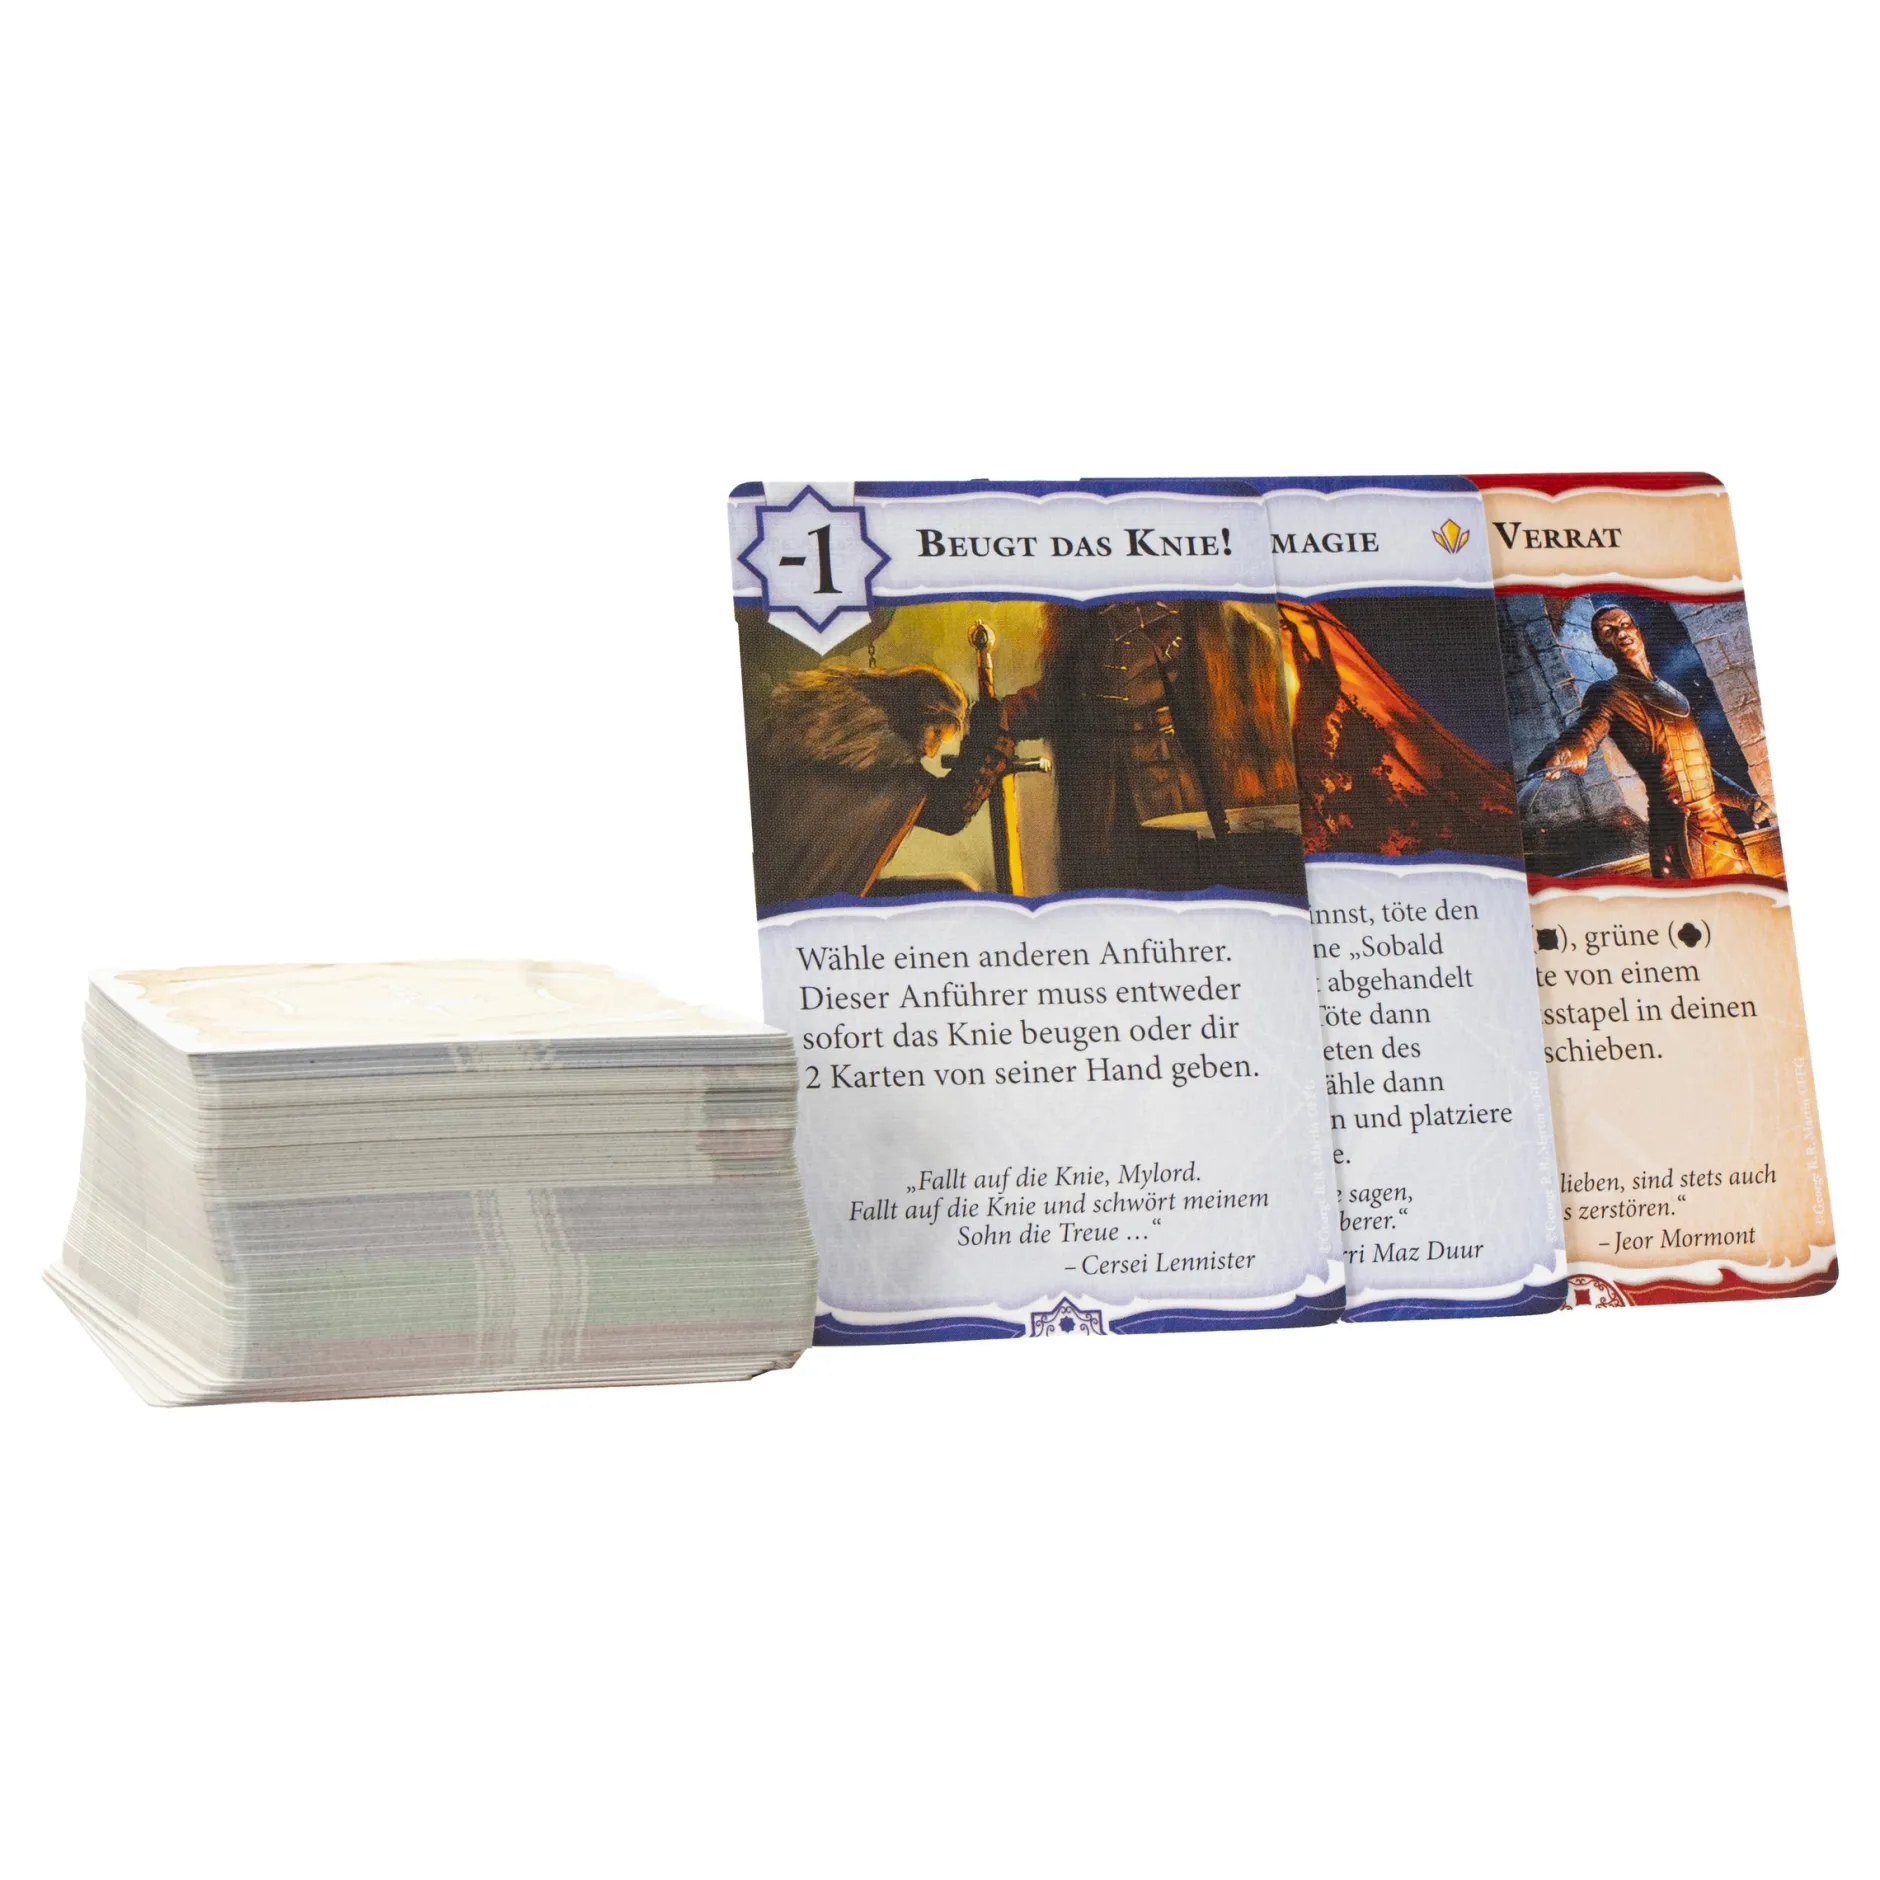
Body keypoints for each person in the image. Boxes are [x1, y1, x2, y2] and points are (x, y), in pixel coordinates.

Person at [747, 662, 1014, 907]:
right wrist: (989, 735)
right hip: (814, 907)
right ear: (916, 716)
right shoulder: (885, 769)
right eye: (936, 733)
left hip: (794, 899)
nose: (931, 752)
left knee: (958, 891)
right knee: (961, 897)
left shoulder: (829, 746)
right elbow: (951, 811)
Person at [1534, 605, 1765, 878]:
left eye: (1625, 624)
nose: (1621, 633)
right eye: (1609, 631)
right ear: (1603, 649)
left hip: (1721, 833)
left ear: (1638, 632)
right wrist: (1567, 750)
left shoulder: (1672, 694)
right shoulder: (1610, 694)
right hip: (1681, 837)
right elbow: (1586, 731)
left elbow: (1694, 772)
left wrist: (1744, 799)